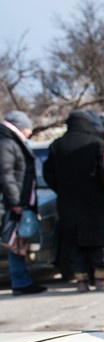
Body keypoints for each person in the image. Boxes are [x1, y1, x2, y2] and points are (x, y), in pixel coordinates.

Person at [44, 109, 104, 290]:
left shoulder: (57, 145)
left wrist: (62, 189)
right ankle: (101, 278)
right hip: (97, 201)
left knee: (75, 243)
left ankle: (82, 280)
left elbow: (48, 174)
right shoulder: (96, 143)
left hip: (68, 203)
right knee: (99, 241)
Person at [1, 110, 44, 296]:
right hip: (14, 202)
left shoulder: (10, 141)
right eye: (27, 128)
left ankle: (22, 280)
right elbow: (6, 174)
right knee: (13, 243)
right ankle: (20, 282)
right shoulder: (7, 143)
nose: (29, 132)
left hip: (20, 199)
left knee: (18, 243)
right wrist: (16, 201)